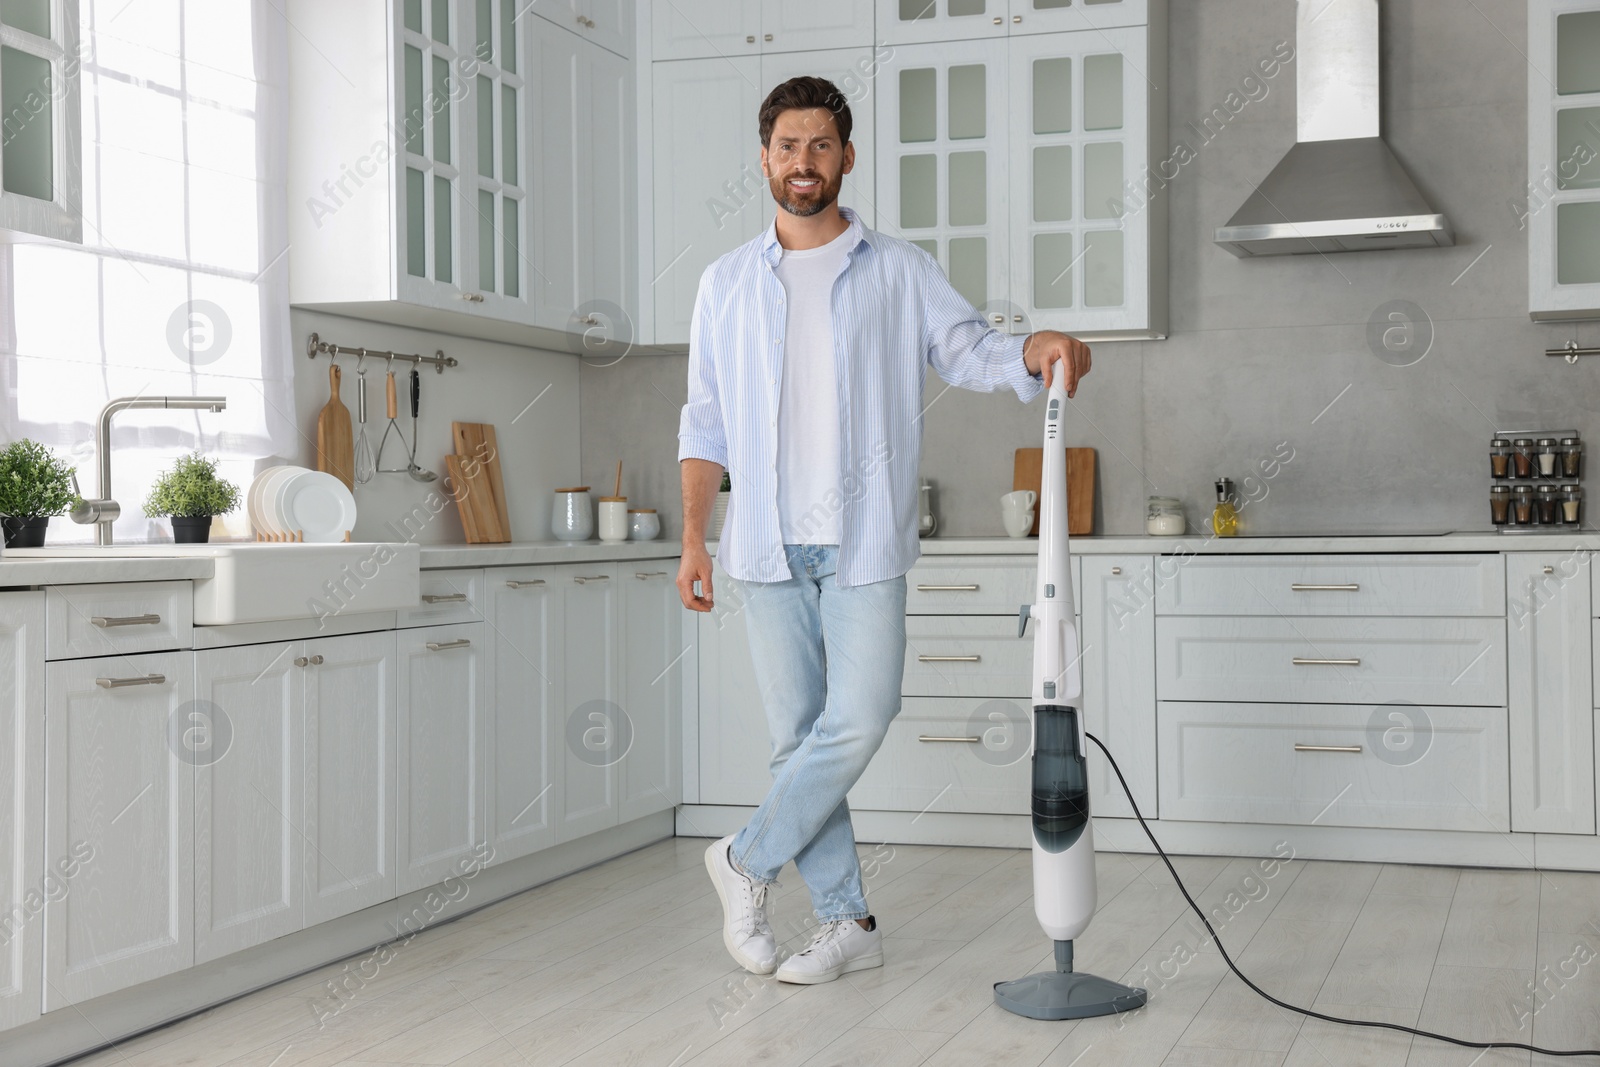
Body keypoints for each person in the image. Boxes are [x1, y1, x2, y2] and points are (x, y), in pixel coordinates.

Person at [675, 75, 1091, 986]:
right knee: (797, 740)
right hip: (764, 543)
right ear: (764, 159)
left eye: (820, 145)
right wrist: (695, 537)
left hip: (862, 539)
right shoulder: (725, 286)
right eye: (787, 146)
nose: (802, 163)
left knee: (861, 714)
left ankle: (744, 859)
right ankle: (846, 920)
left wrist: (1032, 350)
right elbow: (704, 421)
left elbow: (969, 348)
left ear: (846, 158)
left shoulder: (898, 269)